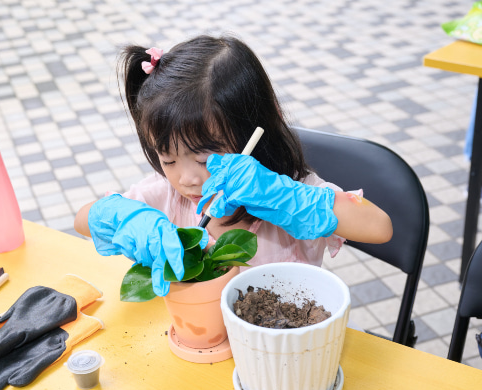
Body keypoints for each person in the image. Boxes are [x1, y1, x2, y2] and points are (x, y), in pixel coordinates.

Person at [74, 34, 393, 297]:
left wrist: (284, 197)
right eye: (167, 159)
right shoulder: (167, 195)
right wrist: (120, 216)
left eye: (203, 159)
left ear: (253, 134)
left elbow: (379, 227)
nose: (186, 178)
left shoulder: (283, 191)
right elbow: (82, 220)